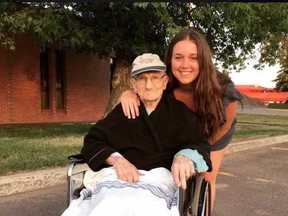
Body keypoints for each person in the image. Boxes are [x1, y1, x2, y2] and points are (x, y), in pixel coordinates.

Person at [62, 53, 212, 216]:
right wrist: (118, 160)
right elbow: (93, 141)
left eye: (155, 78)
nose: (148, 85)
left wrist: (185, 156)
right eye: (142, 78)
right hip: (118, 179)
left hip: (159, 180)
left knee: (146, 207)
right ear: (133, 84)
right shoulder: (122, 112)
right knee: (108, 205)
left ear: (164, 82)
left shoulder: (181, 114)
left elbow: (199, 143)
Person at [120, 29, 243, 209]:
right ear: (170, 59)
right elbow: (143, 87)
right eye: (178, 57)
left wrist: (194, 157)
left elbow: (215, 136)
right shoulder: (165, 84)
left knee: (205, 176)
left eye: (193, 57)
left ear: (204, 60)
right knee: (173, 173)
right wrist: (128, 94)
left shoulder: (223, 90)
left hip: (213, 132)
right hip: (181, 133)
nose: (185, 64)